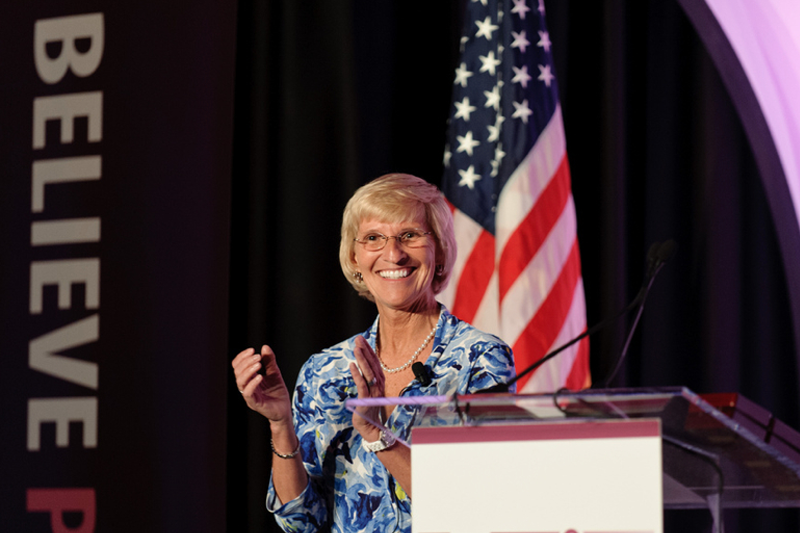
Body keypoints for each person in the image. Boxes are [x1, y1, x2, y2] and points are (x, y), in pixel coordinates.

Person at [232, 173, 515, 533]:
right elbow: (301, 523)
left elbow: (473, 508)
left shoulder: (481, 359)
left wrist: (380, 436)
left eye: (410, 235)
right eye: (373, 238)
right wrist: (280, 424)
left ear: (439, 250)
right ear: (354, 258)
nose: (393, 253)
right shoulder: (324, 371)